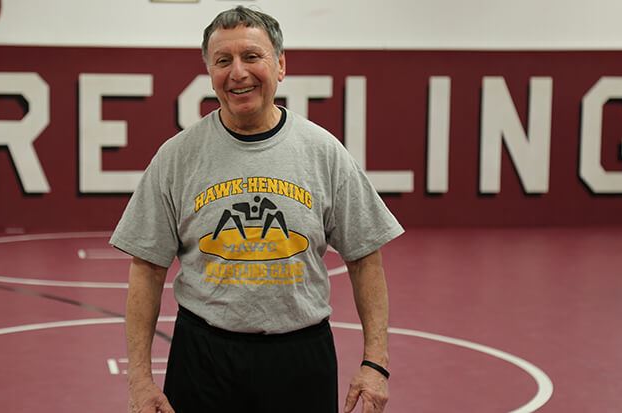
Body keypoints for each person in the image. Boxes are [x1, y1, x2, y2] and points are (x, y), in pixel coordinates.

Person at [109, 6, 403, 413]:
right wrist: (140, 380)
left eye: (252, 57)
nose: (238, 73)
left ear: (280, 65)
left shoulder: (323, 153)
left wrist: (376, 364)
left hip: (300, 358)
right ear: (209, 72)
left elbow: (365, 258)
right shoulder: (177, 157)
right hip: (203, 357)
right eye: (223, 61)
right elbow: (146, 270)